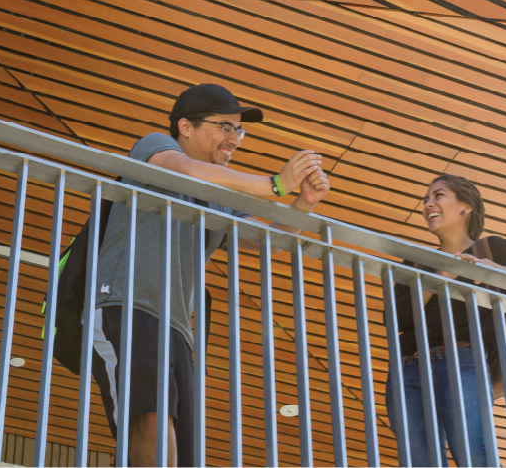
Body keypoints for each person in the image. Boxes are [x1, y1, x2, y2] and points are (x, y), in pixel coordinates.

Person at [89, 83, 330, 468]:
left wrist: (302, 204)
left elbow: (266, 243)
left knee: (179, 442)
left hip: (176, 327)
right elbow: (185, 169)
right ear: (186, 127)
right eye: (225, 127)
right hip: (126, 303)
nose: (234, 139)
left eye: (239, 130)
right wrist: (275, 184)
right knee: (150, 419)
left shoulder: (219, 193)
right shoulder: (155, 146)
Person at [385, 174, 506, 468]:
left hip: (462, 360)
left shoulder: (492, 247)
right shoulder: (415, 261)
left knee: (474, 454)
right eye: (426, 199)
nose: (428, 204)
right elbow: (394, 320)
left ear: (466, 206)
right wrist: (440, 276)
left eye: (438, 195)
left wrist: (501, 271)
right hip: (407, 368)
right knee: (419, 462)